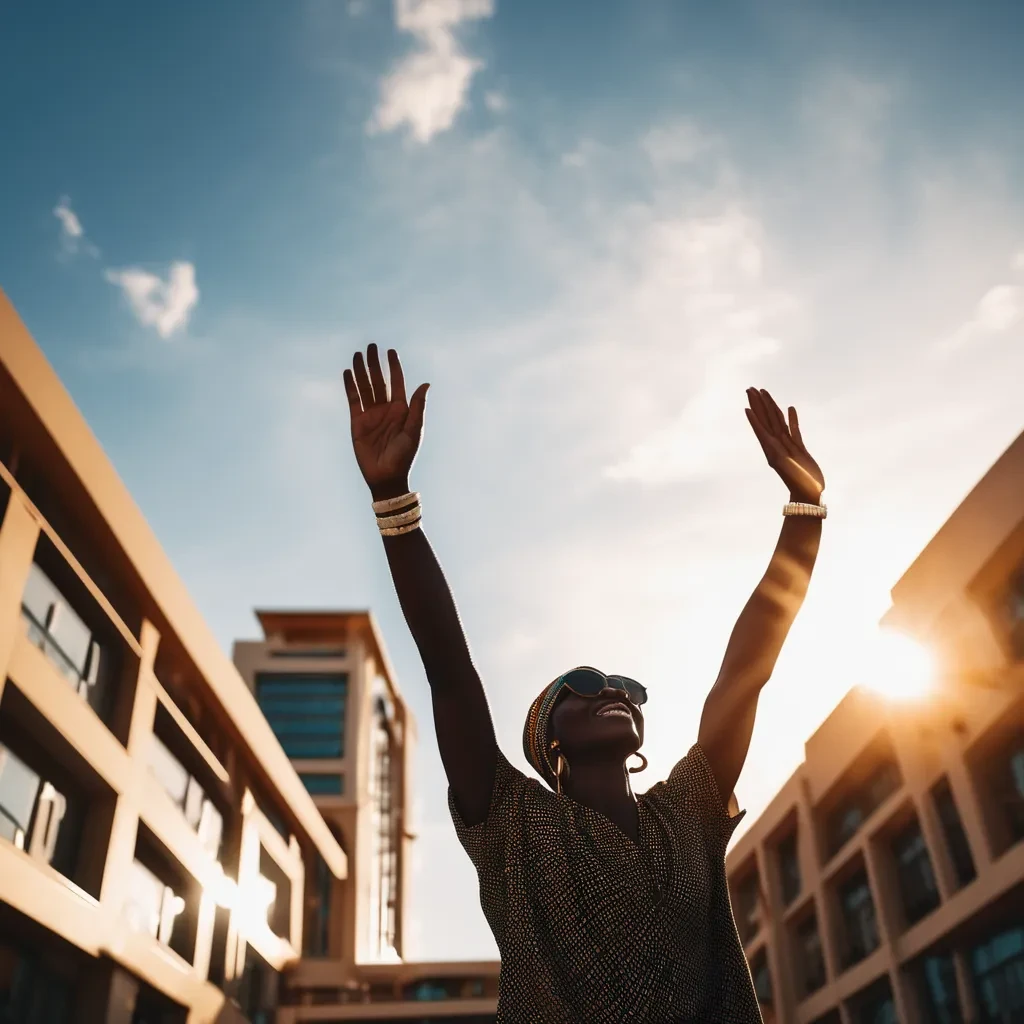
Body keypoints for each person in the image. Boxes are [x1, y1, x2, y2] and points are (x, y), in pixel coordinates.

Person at [343, 343, 825, 1024]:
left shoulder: (686, 813)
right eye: (586, 682)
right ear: (546, 739)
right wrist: (392, 498)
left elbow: (746, 675)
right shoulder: (513, 822)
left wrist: (805, 514)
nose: (613, 691)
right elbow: (449, 670)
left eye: (625, 686)